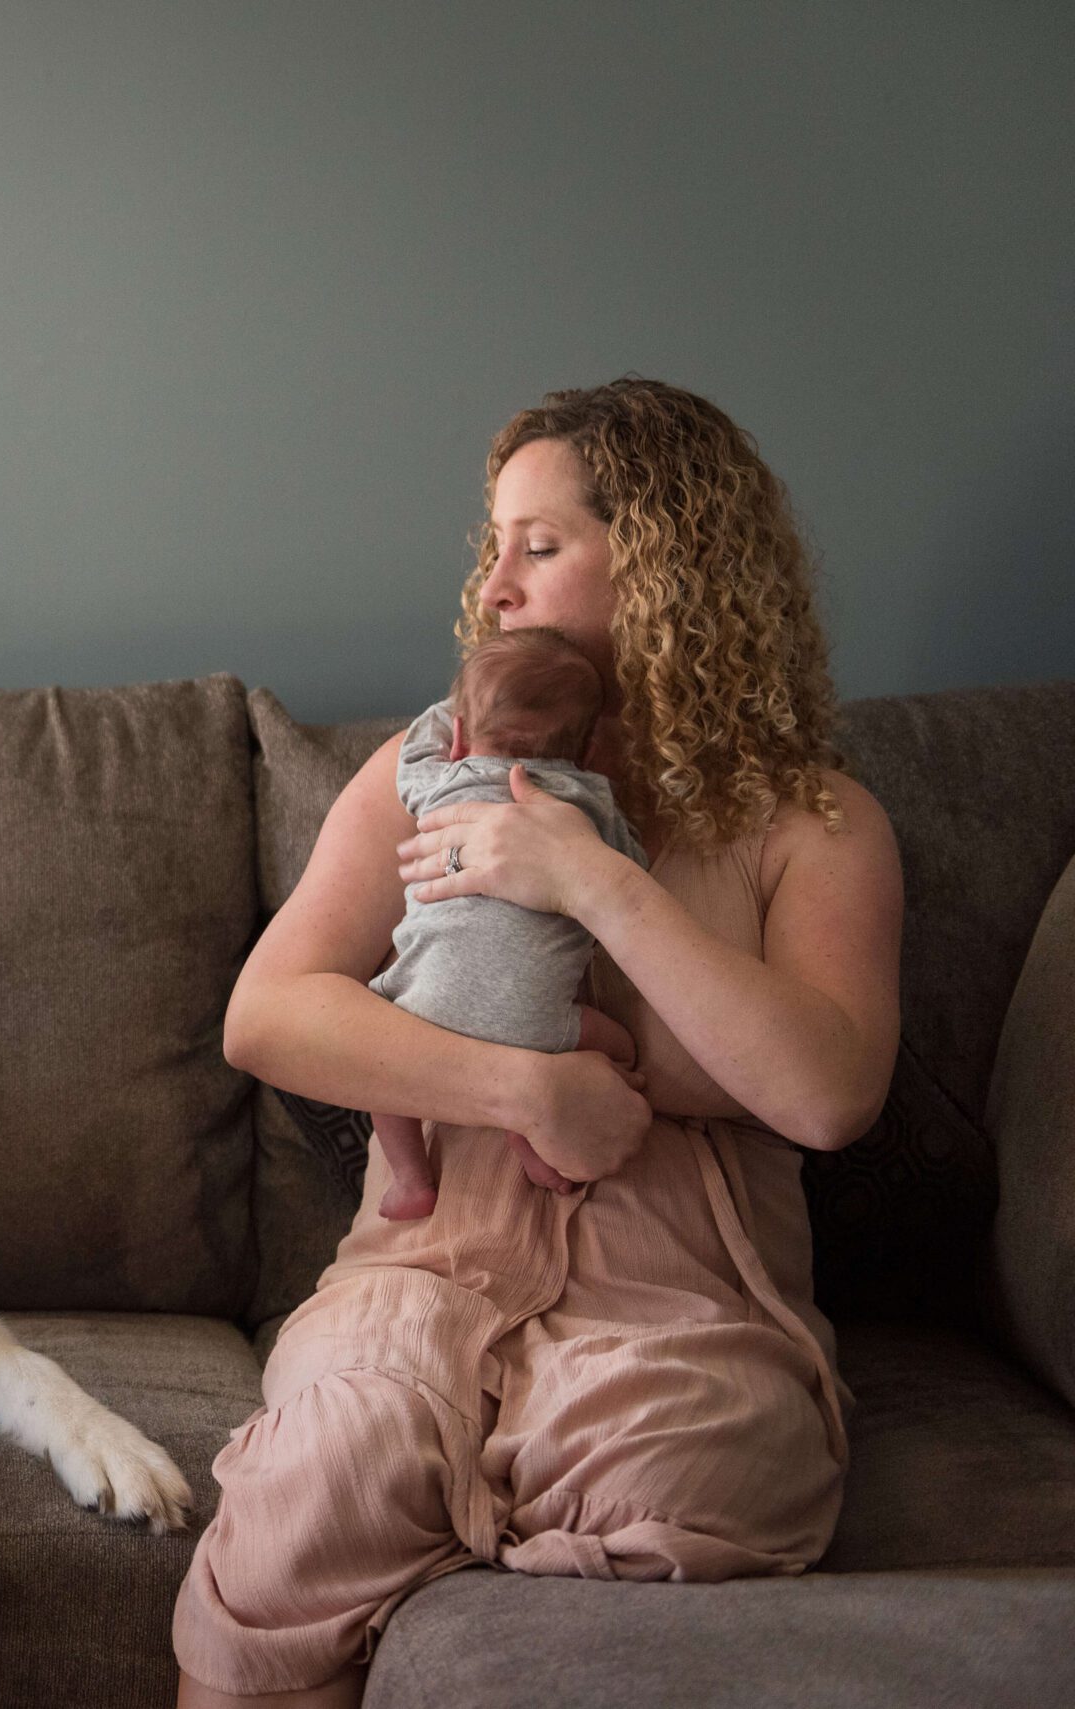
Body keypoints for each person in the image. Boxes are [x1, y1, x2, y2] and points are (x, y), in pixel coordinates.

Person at [173, 378, 902, 1709]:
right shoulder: (429, 763)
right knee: (316, 1482)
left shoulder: (814, 822)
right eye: (493, 545)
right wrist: (527, 1087)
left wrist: (589, 876)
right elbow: (267, 1015)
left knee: (696, 1475)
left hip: (678, 1300)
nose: (493, 585)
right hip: (428, 1268)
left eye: (541, 545)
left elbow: (829, 1091)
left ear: (672, 566)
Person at [367, 626, 648, 1221]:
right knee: (615, 1045)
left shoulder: (442, 782)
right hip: (535, 1022)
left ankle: (412, 1179)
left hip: (417, 1008)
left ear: (461, 736)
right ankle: (544, 1154)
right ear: (588, 748)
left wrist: (459, 710)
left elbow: (414, 752)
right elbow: (634, 869)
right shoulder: (589, 803)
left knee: (380, 1088)